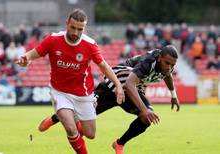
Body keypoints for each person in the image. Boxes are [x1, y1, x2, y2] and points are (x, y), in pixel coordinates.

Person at [16, 8, 125, 154]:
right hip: (60, 92)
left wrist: (118, 85)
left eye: (80, 29)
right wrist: (25, 60)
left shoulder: (90, 44)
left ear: (84, 28)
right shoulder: (53, 40)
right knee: (70, 129)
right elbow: (31, 55)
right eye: (72, 27)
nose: (75, 32)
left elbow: (104, 66)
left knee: (91, 134)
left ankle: (55, 119)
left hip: (83, 94)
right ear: (67, 23)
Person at [37, 45, 180, 154]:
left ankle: (119, 143)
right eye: (167, 63)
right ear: (160, 57)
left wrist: (173, 95)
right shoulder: (148, 62)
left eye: (172, 65)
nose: (169, 67)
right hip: (117, 82)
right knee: (81, 111)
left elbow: (167, 76)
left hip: (134, 89)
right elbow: (129, 84)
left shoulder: (168, 66)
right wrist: (144, 109)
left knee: (146, 118)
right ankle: (54, 119)